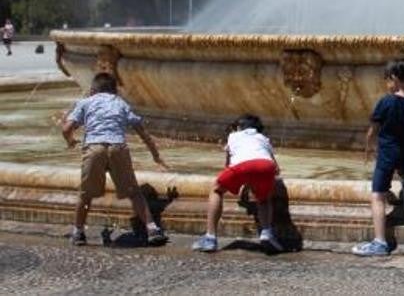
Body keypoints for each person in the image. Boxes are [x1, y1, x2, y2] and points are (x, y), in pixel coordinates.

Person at [60, 72, 170, 246]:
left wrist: (71, 141)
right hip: (118, 147)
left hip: (94, 148)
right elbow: (143, 133)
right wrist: (156, 156)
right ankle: (152, 229)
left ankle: (79, 232)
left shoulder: (86, 103)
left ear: (92, 90)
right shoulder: (121, 103)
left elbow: (66, 129)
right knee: (134, 193)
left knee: (85, 194)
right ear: (115, 91)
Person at [353, 59, 404, 257]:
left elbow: (373, 130)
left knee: (377, 195)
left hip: (388, 153)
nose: (387, 84)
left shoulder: (385, 101)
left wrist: (368, 148)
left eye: (387, 79)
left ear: (394, 78)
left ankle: (380, 242)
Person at [192, 114, 284, 252]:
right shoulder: (263, 139)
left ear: (239, 127)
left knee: (217, 190)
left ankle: (210, 238)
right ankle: (267, 234)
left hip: (242, 167)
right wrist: (253, 181)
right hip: (266, 166)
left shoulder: (233, 136)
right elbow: (276, 169)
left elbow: (229, 165)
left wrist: (243, 180)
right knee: (264, 199)